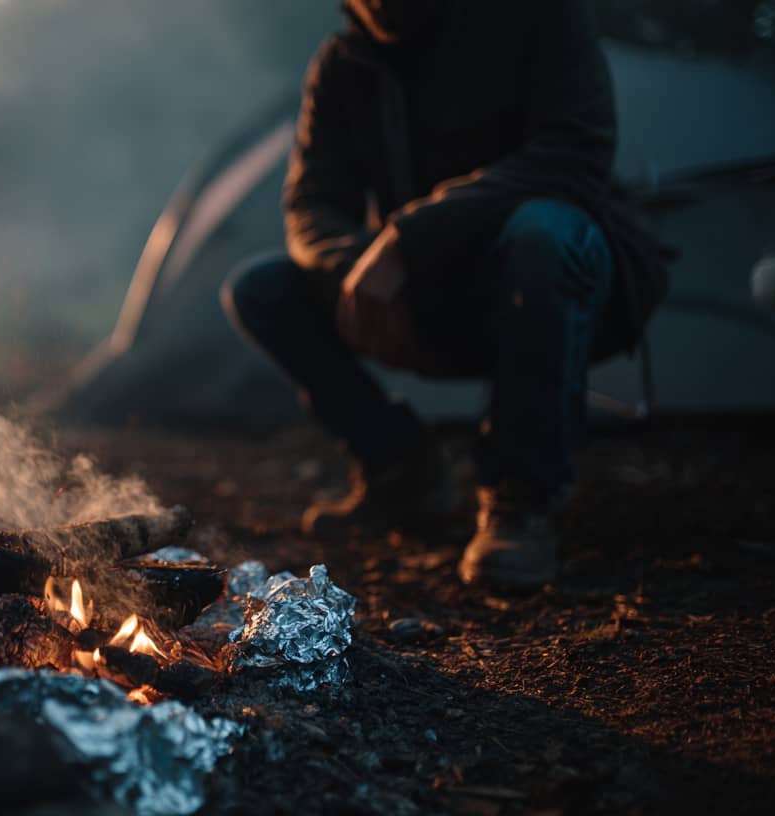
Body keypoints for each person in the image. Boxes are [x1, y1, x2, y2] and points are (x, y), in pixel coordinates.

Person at [221, 0, 669, 590]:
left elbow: (571, 158)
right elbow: (311, 207)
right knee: (263, 290)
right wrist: (360, 270)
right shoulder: (342, 63)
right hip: (425, 307)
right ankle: (401, 470)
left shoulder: (541, 16)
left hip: (561, 290)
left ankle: (522, 499)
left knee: (544, 232)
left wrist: (405, 243)